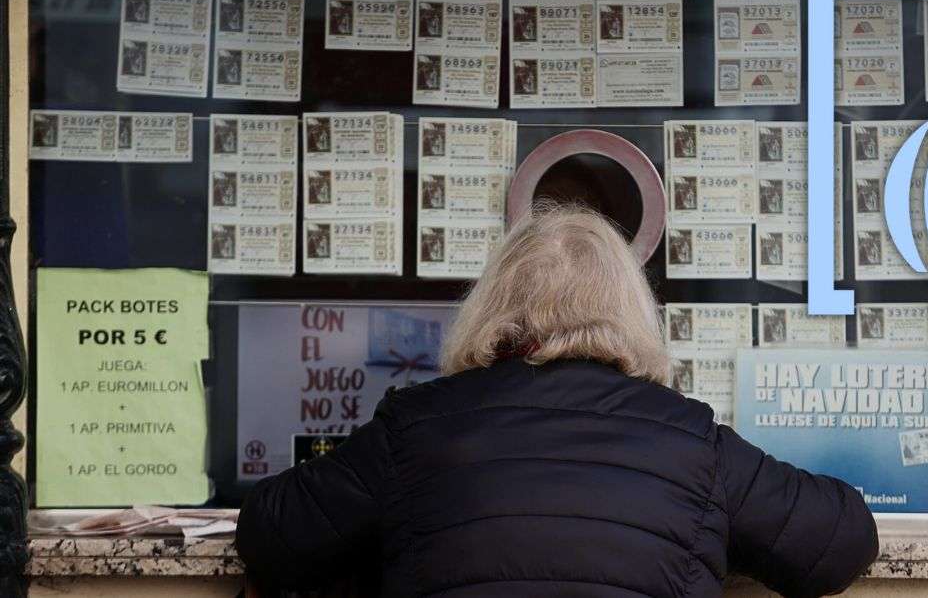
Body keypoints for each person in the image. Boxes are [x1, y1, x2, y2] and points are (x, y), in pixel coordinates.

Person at [236, 203, 878, 597]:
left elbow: (270, 534)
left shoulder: (416, 428)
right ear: (630, 311)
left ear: (491, 306)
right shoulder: (693, 443)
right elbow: (840, 543)